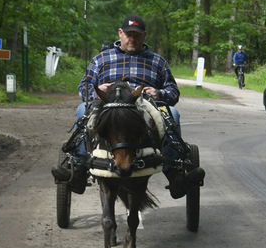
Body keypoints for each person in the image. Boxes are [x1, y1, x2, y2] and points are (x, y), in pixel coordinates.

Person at [51, 14, 205, 198]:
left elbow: (173, 91)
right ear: (120, 34)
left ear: (144, 36)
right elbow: (83, 88)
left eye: (137, 35)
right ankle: (79, 170)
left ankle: (174, 174)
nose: (132, 39)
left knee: (172, 113)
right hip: (108, 105)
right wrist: (96, 91)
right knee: (82, 110)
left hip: (145, 104)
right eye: (128, 35)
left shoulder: (157, 61)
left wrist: (159, 93)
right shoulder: (101, 59)